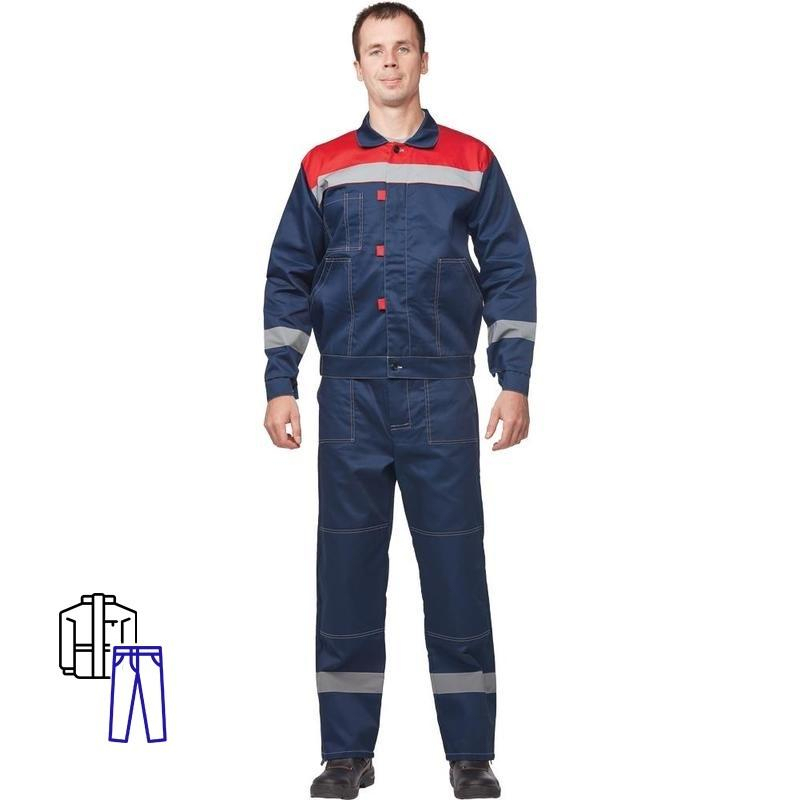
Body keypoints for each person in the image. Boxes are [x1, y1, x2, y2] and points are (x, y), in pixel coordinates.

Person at [262, 3, 536, 797]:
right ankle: (346, 753)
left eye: (402, 48)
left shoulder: (471, 159)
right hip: (350, 394)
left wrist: (513, 378)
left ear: (424, 59)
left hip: (440, 393)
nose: (389, 61)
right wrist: (281, 382)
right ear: (357, 66)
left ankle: (470, 754)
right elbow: (288, 275)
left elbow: (509, 269)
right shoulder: (323, 165)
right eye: (375, 50)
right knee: (346, 574)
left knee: (455, 570)